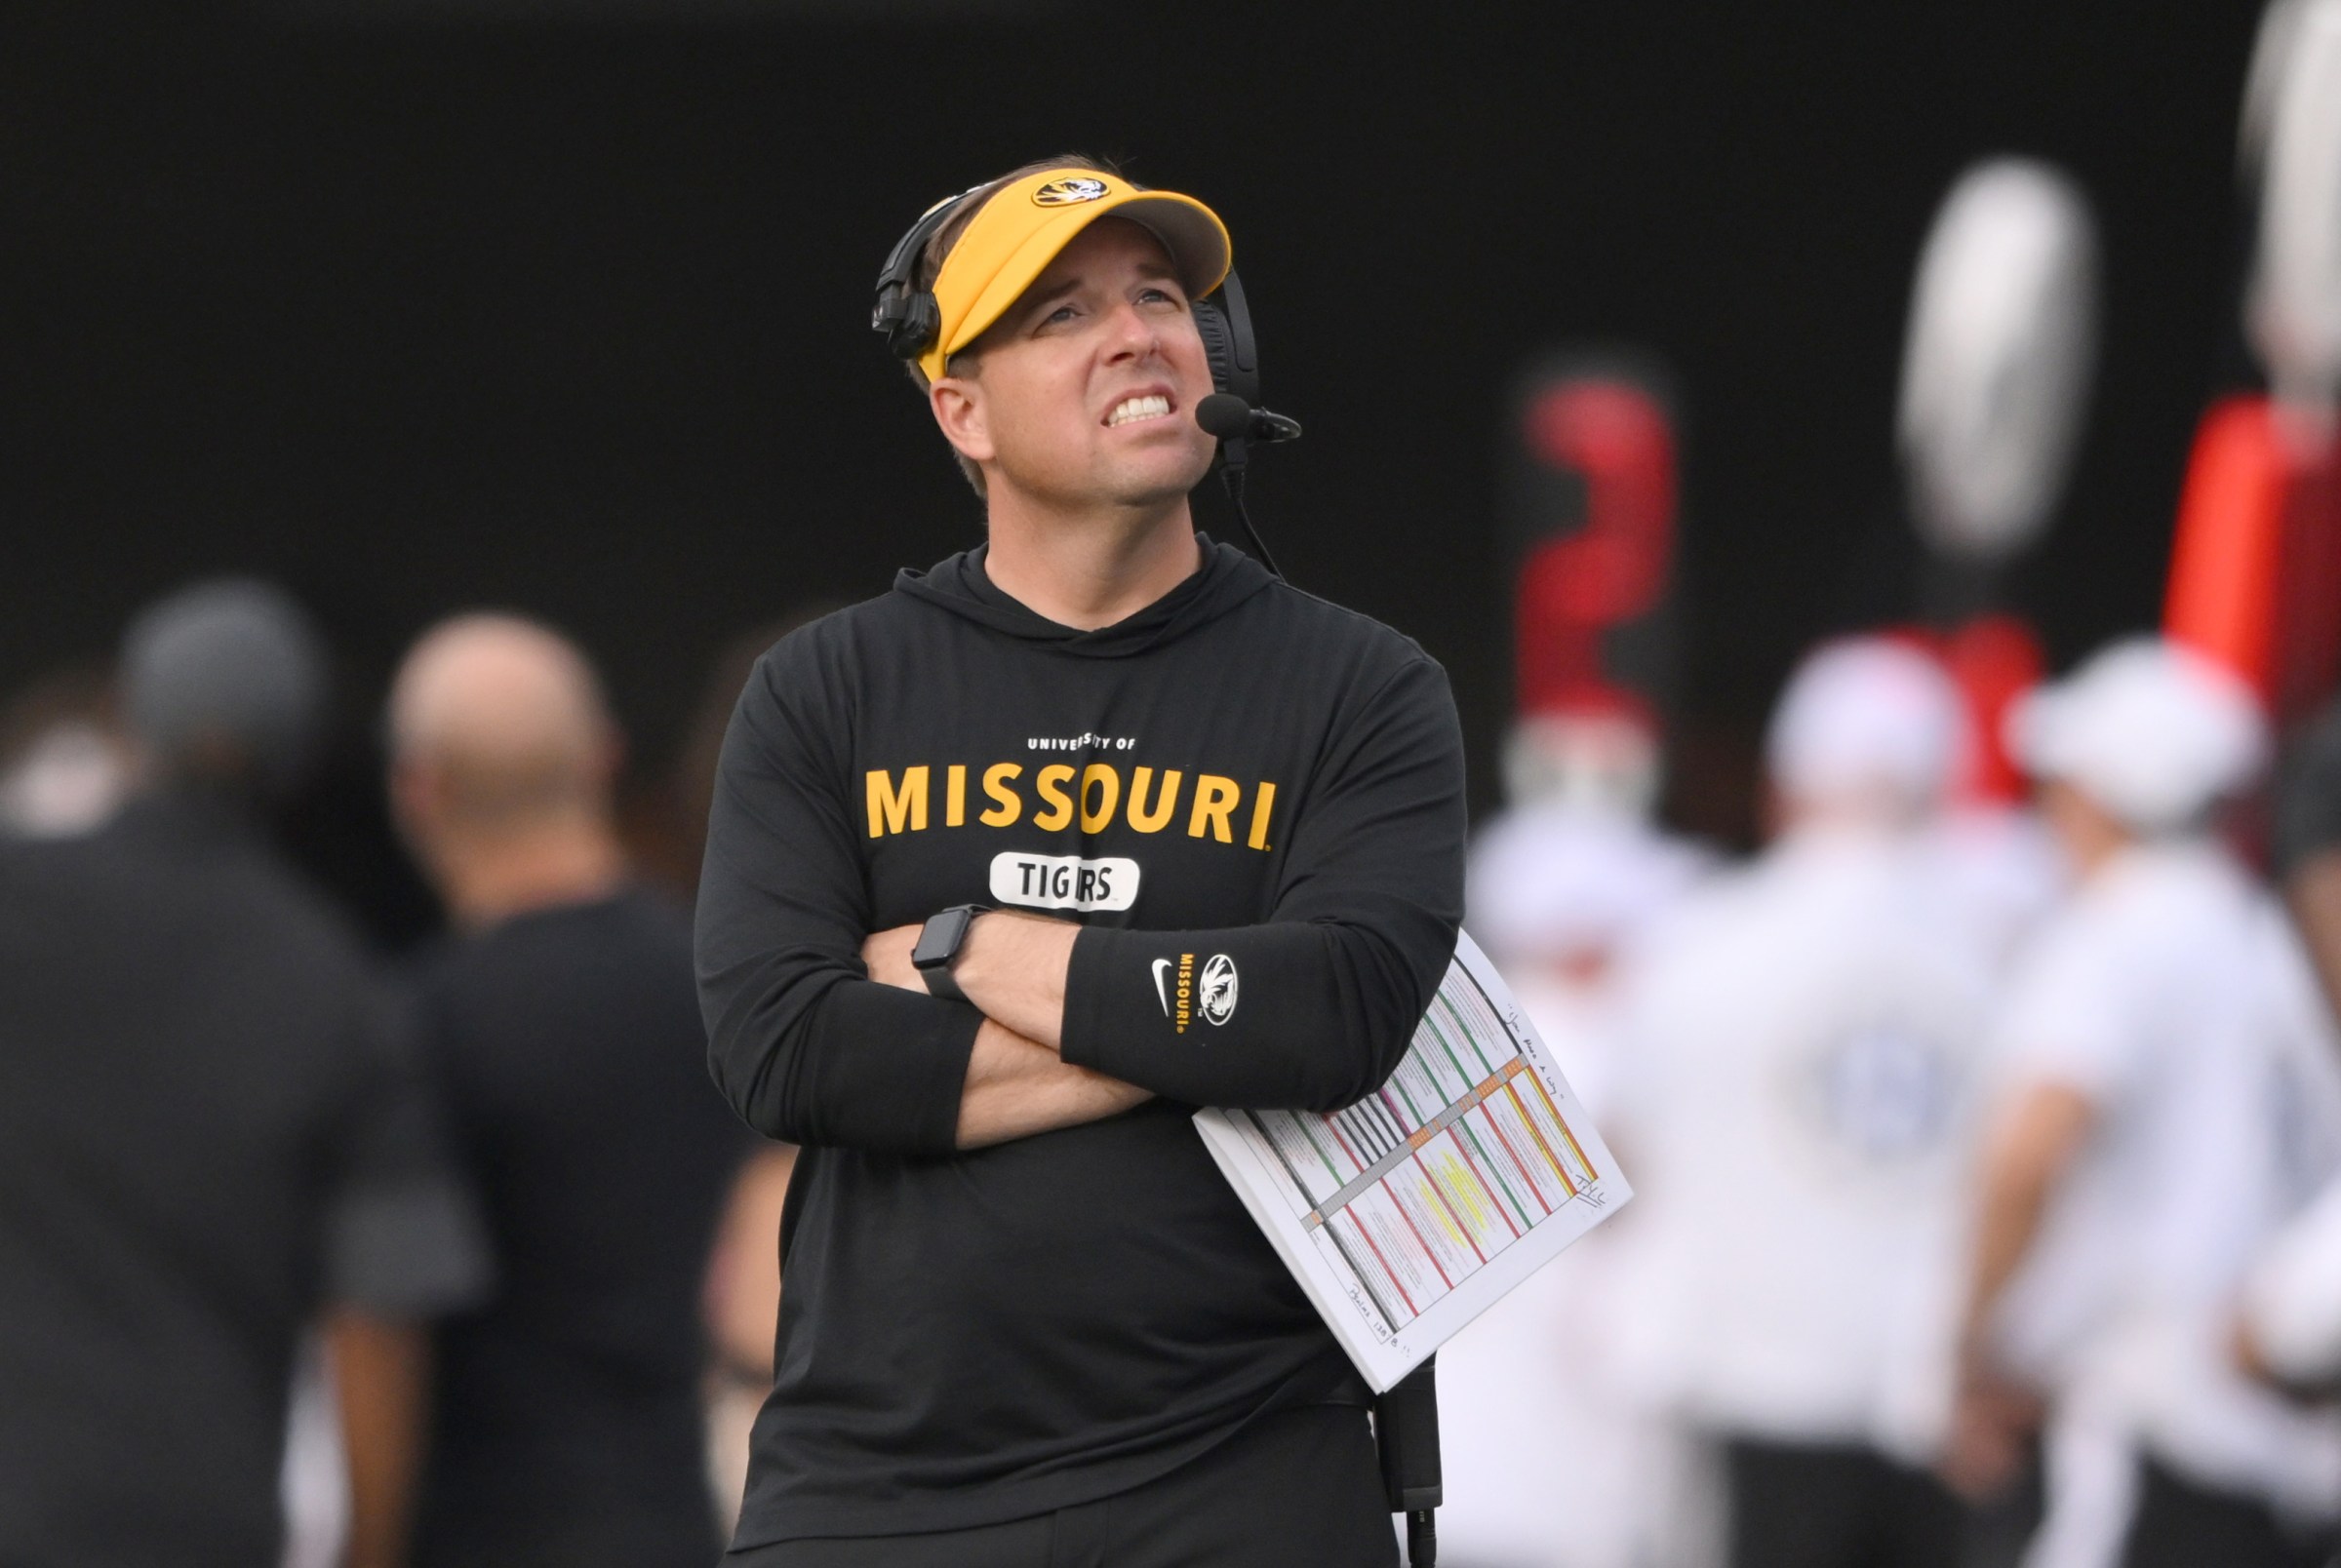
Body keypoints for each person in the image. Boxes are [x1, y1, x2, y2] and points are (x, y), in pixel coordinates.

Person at [694, 157, 1468, 1566]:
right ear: (961, 410)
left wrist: (960, 950)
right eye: (1060, 314)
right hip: (880, 1495)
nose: (1138, 335)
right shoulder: (825, 692)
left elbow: (1341, 1008)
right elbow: (789, 1050)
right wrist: (1220, 1020)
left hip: (1247, 1482)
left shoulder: (1363, 688)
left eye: (1161, 297)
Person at [0, 578, 487, 1568]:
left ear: (125, 718)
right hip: (206, 1515)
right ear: (304, 760)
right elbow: (380, 1323)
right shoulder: (337, 986)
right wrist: (371, 1549)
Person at [1602, 638, 1998, 1568]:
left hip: (1745, 1390)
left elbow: (1620, 1154)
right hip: (1934, 1404)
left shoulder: (1696, 939)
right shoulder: (2000, 947)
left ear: (1784, 783)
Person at [1949, 638, 2341, 1568]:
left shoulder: (2120, 932)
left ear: (2100, 797)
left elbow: (2030, 1152)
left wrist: (1971, 1346)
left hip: (2161, 1425)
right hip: (2275, 1442)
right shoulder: (2262, 940)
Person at [386, 613, 757, 1567]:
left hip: (486, 1527)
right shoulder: (727, 993)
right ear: (602, 759)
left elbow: (386, 1322)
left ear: (417, 791)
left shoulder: (418, 1028)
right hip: (691, 1517)